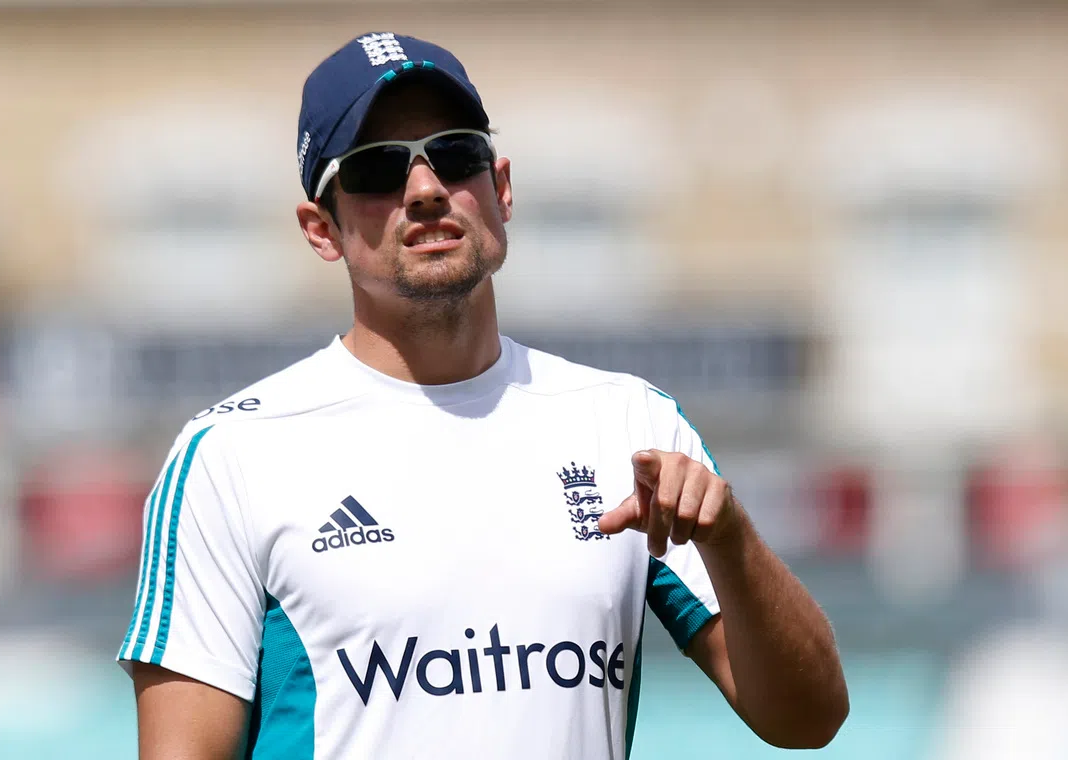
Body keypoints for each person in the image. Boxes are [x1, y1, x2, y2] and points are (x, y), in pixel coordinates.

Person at [118, 31, 849, 760]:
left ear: (501, 188)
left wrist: (730, 541)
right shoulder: (234, 454)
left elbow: (809, 719)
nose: (426, 189)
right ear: (321, 229)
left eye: (455, 153)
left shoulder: (628, 423)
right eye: (377, 168)